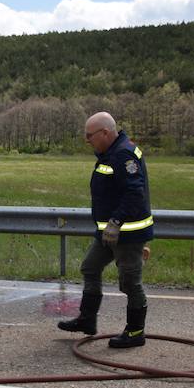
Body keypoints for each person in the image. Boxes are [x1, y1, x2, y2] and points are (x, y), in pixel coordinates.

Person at [57, 112, 154, 348]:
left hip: (127, 233)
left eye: (90, 135)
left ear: (105, 133)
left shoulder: (123, 154)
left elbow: (134, 193)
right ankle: (87, 320)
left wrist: (115, 222)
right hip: (108, 232)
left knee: (130, 283)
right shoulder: (109, 153)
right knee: (90, 267)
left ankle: (135, 332)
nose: (86, 139)